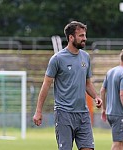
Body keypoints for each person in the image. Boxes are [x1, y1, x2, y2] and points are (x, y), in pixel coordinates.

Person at [33, 21, 102, 150]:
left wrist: (96, 96)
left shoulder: (86, 57)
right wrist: (38, 111)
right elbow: (46, 85)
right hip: (64, 113)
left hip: (83, 114)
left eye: (85, 35)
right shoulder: (57, 59)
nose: (84, 39)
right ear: (71, 37)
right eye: (81, 36)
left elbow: (87, 83)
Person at [100, 48, 123, 150]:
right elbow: (122, 94)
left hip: (110, 113)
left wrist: (104, 109)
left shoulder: (110, 71)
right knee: (117, 143)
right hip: (118, 114)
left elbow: (102, 90)